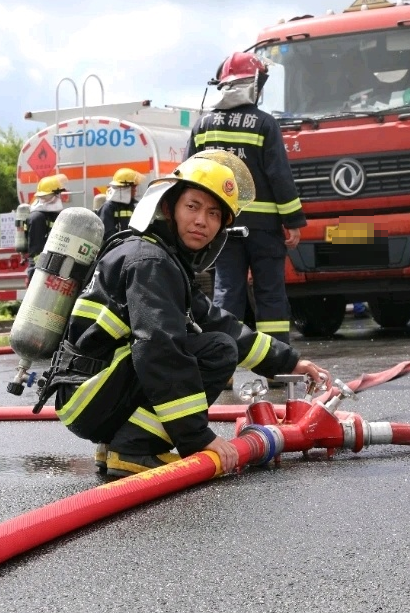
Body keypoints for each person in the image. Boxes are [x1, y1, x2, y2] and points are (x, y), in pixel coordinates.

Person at [40, 154, 324, 479]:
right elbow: (160, 348)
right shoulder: (150, 263)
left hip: (88, 393)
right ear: (168, 208)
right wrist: (198, 438)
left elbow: (218, 321)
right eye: (193, 206)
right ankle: (135, 449)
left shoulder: (162, 258)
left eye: (214, 213)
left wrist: (288, 363)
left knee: (214, 339)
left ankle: (121, 444)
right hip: (90, 398)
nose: (202, 220)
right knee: (216, 351)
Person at [186, 51, 306, 344]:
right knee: (270, 295)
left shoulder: (202, 126)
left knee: (227, 293)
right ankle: (277, 366)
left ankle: (222, 364)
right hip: (265, 229)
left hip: (222, 227)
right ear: (254, 85)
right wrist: (292, 220)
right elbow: (279, 176)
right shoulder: (264, 124)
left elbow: (189, 178)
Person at [25, 174, 68, 283]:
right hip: (40, 267)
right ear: (53, 195)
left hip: (51, 264)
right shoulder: (37, 217)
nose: (60, 197)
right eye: (58, 194)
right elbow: (37, 250)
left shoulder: (54, 215)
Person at [98, 168, 140, 238]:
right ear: (124, 188)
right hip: (116, 247)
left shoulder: (132, 206)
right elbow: (108, 234)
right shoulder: (108, 208)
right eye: (133, 187)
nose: (135, 190)